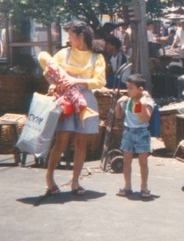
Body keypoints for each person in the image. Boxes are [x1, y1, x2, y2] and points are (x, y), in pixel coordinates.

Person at [44, 20, 106, 196]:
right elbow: (49, 71)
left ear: (81, 36)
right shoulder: (63, 54)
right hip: (66, 101)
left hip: (85, 102)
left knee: (81, 142)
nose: (69, 39)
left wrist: (77, 81)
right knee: (61, 140)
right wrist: (53, 85)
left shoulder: (97, 57)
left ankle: (75, 181)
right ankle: (49, 178)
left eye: (71, 35)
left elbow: (100, 81)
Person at [115, 73, 156, 200]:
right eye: (127, 88)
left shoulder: (148, 102)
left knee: (142, 162)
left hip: (142, 132)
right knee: (126, 161)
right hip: (128, 132)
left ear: (140, 89)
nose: (128, 91)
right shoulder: (127, 101)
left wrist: (143, 105)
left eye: (131, 88)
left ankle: (144, 187)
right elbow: (118, 116)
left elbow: (145, 118)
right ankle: (127, 186)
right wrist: (118, 104)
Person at [38, 51, 98, 122]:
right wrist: (54, 85)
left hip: (69, 90)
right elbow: (57, 76)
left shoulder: (48, 69)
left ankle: (84, 112)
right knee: (75, 99)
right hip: (68, 91)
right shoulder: (57, 60)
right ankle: (84, 112)